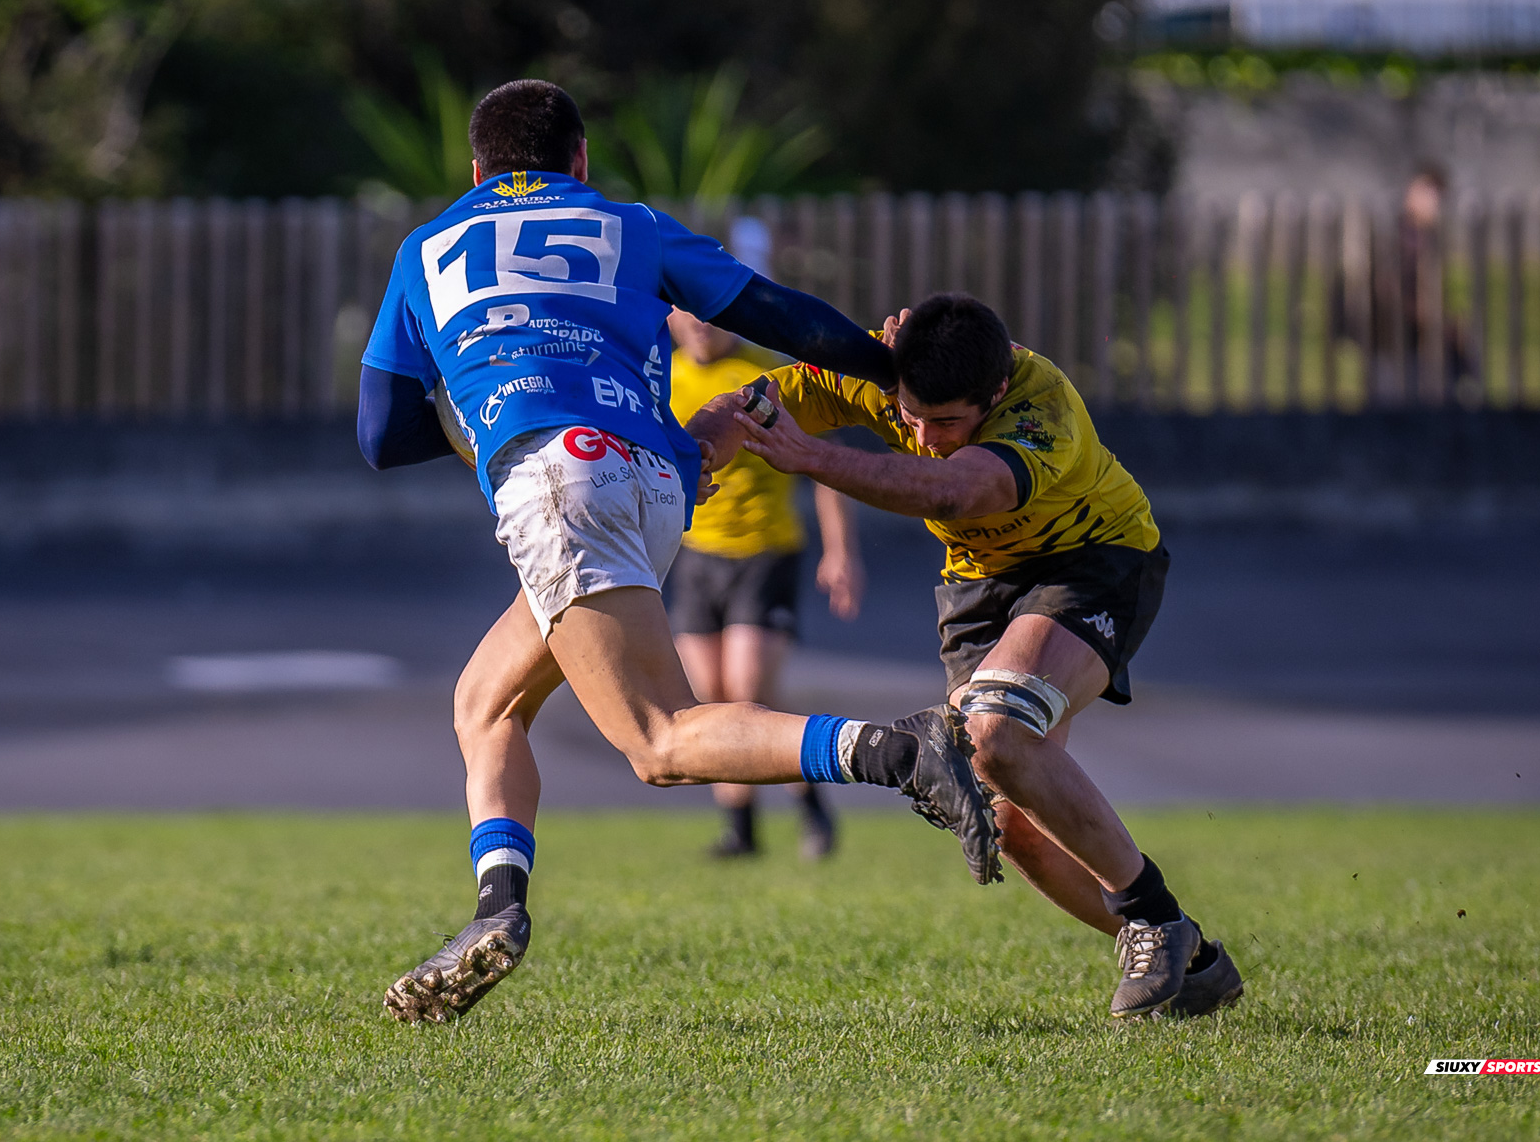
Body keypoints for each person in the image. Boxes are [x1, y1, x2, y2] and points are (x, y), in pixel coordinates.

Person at [357, 80, 998, 1025]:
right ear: (579, 161)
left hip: (563, 481)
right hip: (661, 482)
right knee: (483, 702)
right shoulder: (630, 224)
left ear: (477, 169)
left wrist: (484, 409)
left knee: (659, 741)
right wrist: (884, 361)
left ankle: (898, 749)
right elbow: (773, 312)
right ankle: (495, 913)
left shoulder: (428, 247)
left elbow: (380, 434)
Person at [688, 293, 1245, 1019]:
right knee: (1007, 812)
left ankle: (1156, 917)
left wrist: (811, 457)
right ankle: (1191, 958)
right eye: (910, 414)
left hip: (1090, 561)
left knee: (997, 731)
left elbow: (962, 488)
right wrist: (687, 458)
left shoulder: (1043, 407)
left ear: (998, 392)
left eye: (946, 422)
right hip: (979, 584)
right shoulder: (884, 370)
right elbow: (745, 405)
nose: (920, 435)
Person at [667, 308, 864, 860]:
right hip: (696, 556)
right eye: (690, 317)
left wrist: (841, 550)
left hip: (766, 550)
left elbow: (822, 464)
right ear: (674, 323)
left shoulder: (766, 378)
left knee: (747, 687)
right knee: (711, 698)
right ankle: (743, 828)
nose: (703, 327)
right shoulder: (662, 375)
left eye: (712, 316)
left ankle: (812, 812)